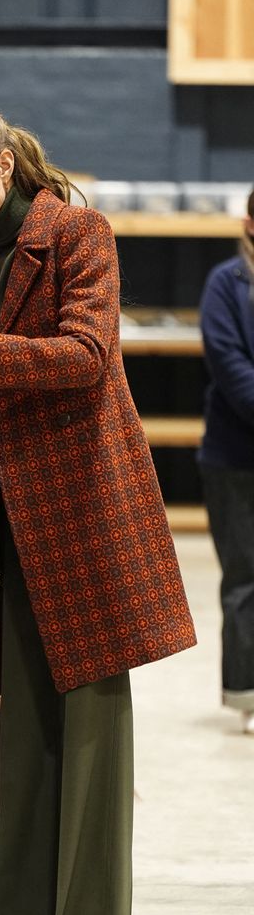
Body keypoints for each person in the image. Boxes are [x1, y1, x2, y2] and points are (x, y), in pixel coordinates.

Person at [0, 103, 196, 915]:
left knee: (92, 731)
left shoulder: (78, 232)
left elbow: (86, 354)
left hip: (86, 511)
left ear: (4, 162)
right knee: (26, 723)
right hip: (18, 516)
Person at [197, 187, 254, 734]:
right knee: (246, 576)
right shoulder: (226, 284)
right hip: (236, 459)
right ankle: (247, 693)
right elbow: (231, 367)